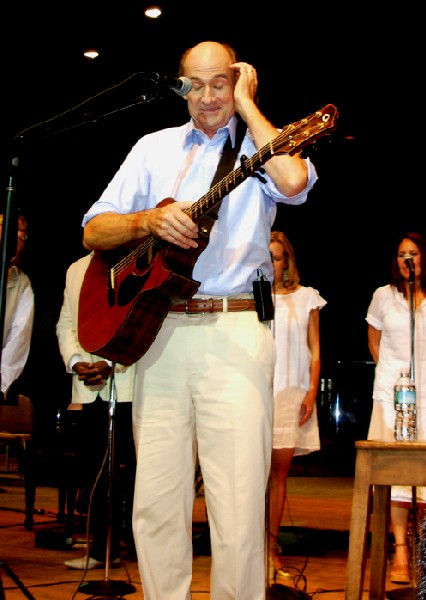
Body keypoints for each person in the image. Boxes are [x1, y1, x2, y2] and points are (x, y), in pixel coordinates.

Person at [80, 40, 318, 599]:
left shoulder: (259, 146)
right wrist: (146, 221)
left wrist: (250, 106)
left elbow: (293, 183)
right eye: (195, 85)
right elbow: (94, 230)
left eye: (220, 83)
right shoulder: (153, 148)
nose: (208, 97)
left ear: (237, 82)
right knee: (156, 500)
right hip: (160, 331)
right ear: (180, 87)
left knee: (237, 504)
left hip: (235, 328)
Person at [56, 252, 136, 569]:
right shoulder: (76, 269)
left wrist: (111, 363)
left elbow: (140, 321)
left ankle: (133, 543)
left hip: (128, 385)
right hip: (88, 385)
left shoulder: (137, 260)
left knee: (130, 471)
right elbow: (66, 322)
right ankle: (102, 549)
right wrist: (77, 362)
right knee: (95, 470)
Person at [366, 231, 426, 585]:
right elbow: (374, 338)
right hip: (392, 394)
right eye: (401, 254)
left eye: (413, 253)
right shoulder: (384, 296)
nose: (407, 259)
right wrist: (389, 371)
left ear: (424, 257)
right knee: (394, 473)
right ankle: (401, 551)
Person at [267, 231, 326, 580]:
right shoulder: (254, 297)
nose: (272, 264)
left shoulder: (307, 298)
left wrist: (312, 391)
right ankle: (248, 547)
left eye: (276, 258)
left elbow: (315, 350)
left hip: (292, 392)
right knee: (251, 475)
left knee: (278, 475)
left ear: (286, 261)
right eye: (267, 258)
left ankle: (271, 549)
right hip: (258, 393)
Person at [0, 212, 34, 403]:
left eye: (23, 233)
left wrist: (1, 385)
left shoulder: (21, 283)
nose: (19, 236)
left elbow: (18, 341)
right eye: (14, 230)